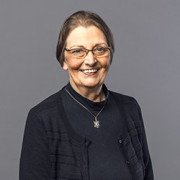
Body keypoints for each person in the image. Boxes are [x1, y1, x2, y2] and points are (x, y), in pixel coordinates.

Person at [19, 10, 154, 180]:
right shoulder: (42, 119)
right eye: (78, 51)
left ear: (110, 55)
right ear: (63, 60)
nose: (90, 60)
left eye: (99, 49)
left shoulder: (130, 108)